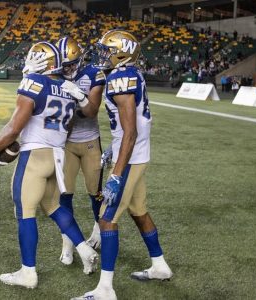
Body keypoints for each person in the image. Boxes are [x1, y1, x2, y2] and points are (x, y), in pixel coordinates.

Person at [0, 41, 98, 289]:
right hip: (56, 156)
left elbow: (15, 125)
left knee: (25, 212)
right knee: (53, 207)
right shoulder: (68, 88)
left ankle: (28, 273)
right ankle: (83, 249)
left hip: (34, 155)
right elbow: (68, 126)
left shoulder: (34, 82)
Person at [73, 30, 172, 300]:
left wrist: (116, 173)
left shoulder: (119, 78)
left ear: (121, 52)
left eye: (107, 50)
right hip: (134, 155)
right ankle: (160, 265)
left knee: (106, 220)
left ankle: (105, 289)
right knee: (139, 212)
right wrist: (113, 152)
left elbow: (131, 132)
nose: (102, 54)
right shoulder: (129, 73)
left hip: (130, 158)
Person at [54, 37, 106, 266]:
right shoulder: (54, 75)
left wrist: (79, 97)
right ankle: (67, 243)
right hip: (65, 143)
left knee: (95, 191)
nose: (69, 69)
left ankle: (98, 229)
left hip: (90, 141)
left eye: (73, 63)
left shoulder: (94, 73)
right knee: (65, 195)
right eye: (65, 65)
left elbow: (92, 111)